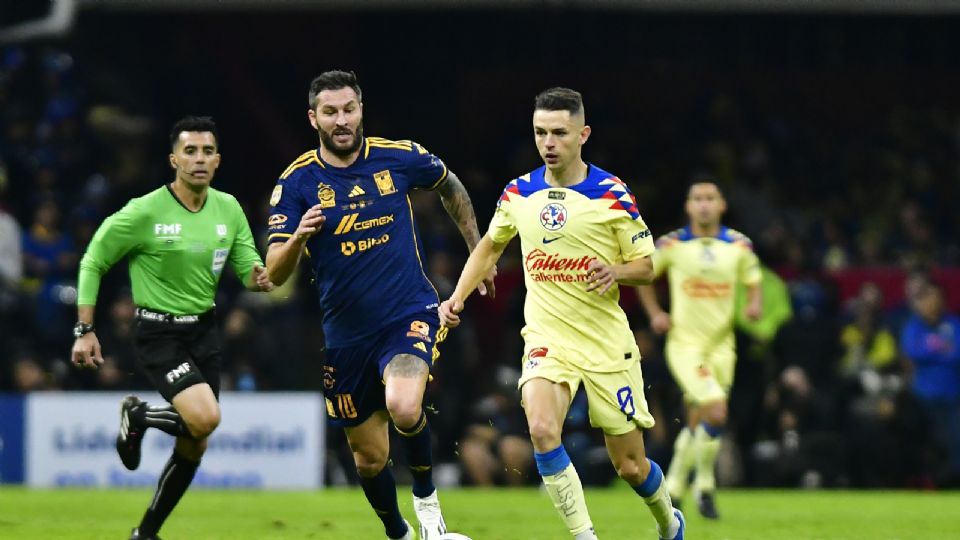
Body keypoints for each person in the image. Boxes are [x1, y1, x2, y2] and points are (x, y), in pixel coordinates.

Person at [439, 87, 683, 540]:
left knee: (629, 465)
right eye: (540, 133)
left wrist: (615, 270)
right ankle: (584, 536)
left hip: (606, 342)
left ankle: (669, 522)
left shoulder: (610, 194)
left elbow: (648, 266)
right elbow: (490, 246)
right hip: (548, 338)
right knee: (542, 428)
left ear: (582, 134)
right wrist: (456, 298)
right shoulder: (519, 193)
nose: (548, 143)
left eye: (559, 133)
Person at [265, 70, 494, 540]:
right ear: (314, 118)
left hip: (407, 313)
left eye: (349, 108)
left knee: (405, 406)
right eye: (330, 112)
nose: (342, 119)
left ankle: (428, 506)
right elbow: (274, 271)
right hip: (347, 336)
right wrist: (298, 239)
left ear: (361, 109)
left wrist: (478, 250)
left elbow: (450, 185)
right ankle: (400, 534)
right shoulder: (297, 183)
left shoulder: (399, 157)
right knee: (368, 457)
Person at [71, 116, 274, 540]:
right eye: (190, 151)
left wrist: (271, 269)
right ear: (173, 159)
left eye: (207, 152)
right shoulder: (145, 210)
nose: (199, 159)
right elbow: (94, 260)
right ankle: (140, 415)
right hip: (158, 332)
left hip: (204, 331)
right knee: (206, 418)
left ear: (218, 160)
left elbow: (248, 272)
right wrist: (84, 329)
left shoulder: (229, 208)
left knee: (195, 440)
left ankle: (145, 533)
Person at [636, 179, 762, 519]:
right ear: (688, 206)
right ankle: (698, 485)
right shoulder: (672, 244)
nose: (704, 204)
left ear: (722, 204)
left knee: (699, 417)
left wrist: (754, 305)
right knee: (717, 410)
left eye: (710, 198)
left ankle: (680, 487)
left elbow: (754, 283)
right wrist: (655, 314)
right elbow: (645, 275)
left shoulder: (739, 246)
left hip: (723, 346)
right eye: (697, 199)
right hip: (686, 345)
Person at [900, 281, 960, 484]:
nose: (932, 302)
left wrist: (931, 348)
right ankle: (924, 481)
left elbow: (957, 354)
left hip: (951, 395)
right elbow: (912, 351)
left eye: (936, 297)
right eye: (928, 298)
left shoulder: (953, 324)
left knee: (953, 440)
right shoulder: (913, 326)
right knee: (924, 443)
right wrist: (942, 348)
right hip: (922, 396)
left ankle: (951, 482)